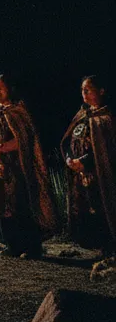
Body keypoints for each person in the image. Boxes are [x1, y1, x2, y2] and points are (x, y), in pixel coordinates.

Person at [0, 74, 56, 256]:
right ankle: (12, 245)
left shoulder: (18, 112)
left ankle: (33, 247)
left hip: (17, 168)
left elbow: (24, 139)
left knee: (21, 203)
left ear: (10, 88)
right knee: (2, 204)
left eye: (1, 88)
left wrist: (1, 148)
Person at [62, 75, 115, 255]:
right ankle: (94, 247)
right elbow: (69, 139)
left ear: (101, 91)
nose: (83, 94)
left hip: (98, 174)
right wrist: (70, 159)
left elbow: (105, 150)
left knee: (102, 207)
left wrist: (85, 162)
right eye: (82, 90)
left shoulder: (107, 118)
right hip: (80, 174)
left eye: (88, 90)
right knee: (84, 209)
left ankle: (108, 250)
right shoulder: (82, 114)